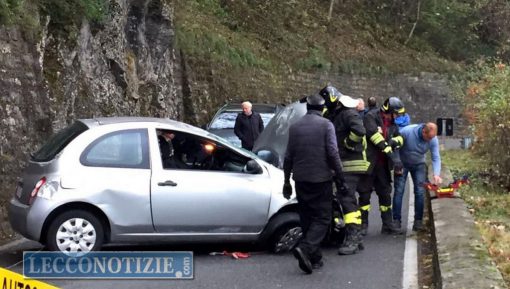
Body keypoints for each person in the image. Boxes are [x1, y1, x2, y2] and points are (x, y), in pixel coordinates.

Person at [283, 94, 344, 274]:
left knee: (307, 217)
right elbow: (333, 153)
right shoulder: (326, 125)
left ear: (308, 108)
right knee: (323, 218)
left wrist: (286, 181)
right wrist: (340, 177)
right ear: (323, 108)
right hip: (321, 179)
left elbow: (288, 157)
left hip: (300, 179)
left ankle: (315, 258)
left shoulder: (295, 127)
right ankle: (306, 247)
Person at [357, 97, 405, 235]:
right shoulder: (370, 117)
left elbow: (400, 138)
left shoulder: (392, 123)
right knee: (364, 195)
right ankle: (363, 225)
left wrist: (393, 141)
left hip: (383, 165)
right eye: (396, 113)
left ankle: (387, 224)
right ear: (388, 110)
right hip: (369, 163)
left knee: (385, 194)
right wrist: (388, 148)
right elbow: (373, 136)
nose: (397, 116)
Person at [332, 93, 368, 255]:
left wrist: (348, 143)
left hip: (350, 164)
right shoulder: (347, 114)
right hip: (350, 164)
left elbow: (359, 131)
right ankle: (357, 237)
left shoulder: (347, 114)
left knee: (347, 200)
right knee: (349, 199)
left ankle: (353, 238)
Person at [392, 122, 442, 231]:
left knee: (419, 192)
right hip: (403, 163)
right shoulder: (406, 132)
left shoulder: (433, 139)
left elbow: (435, 157)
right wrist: (397, 163)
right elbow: (394, 147)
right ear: (424, 131)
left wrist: (436, 174)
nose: (429, 140)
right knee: (399, 191)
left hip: (419, 164)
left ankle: (418, 221)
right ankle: (396, 220)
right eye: (428, 137)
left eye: (432, 138)